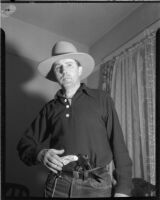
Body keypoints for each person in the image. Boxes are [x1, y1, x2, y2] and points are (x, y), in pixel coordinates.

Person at [17, 41, 132, 198]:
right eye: (59, 68)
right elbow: (24, 144)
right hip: (57, 184)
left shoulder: (101, 99)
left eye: (69, 65)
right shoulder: (49, 109)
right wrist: (41, 154)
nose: (64, 71)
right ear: (55, 75)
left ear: (79, 69)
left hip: (97, 185)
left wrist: (123, 189)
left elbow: (118, 144)